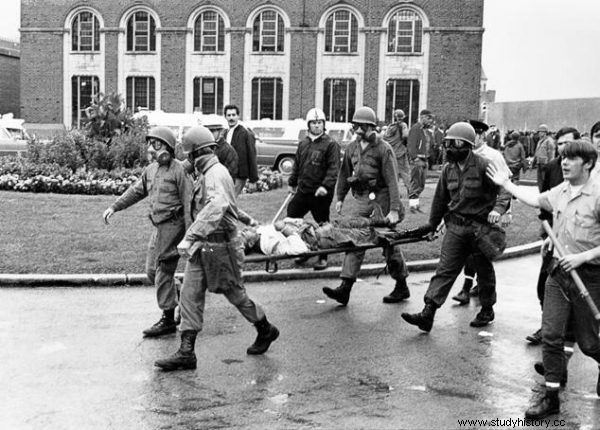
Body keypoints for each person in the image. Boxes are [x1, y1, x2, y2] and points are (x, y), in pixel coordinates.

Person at [487, 140, 600, 419]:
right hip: (559, 274)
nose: (564, 163)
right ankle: (550, 397)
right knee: (550, 335)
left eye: (571, 159)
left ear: (587, 164)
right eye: (563, 157)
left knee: (588, 343)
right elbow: (534, 199)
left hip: (590, 276)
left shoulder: (598, 195)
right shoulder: (561, 191)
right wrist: (507, 184)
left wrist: (582, 258)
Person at [155, 125, 279, 371]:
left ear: (195, 153)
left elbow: (217, 205)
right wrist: (246, 218)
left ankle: (265, 329)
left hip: (222, 247)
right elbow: (228, 204)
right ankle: (186, 352)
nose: (186, 160)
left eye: (188, 155)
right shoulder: (208, 172)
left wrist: (190, 236)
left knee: (235, 294)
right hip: (205, 246)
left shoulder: (214, 174)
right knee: (190, 295)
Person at [401, 122, 510, 332]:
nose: (451, 147)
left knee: (483, 271)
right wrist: (432, 225)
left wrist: (498, 209)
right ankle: (428, 312)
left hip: (480, 230)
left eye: (456, 143)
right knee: (444, 269)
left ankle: (487, 308)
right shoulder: (448, 170)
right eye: (449, 143)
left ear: (468, 145)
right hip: (456, 228)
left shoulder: (484, 165)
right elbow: (440, 201)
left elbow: (504, 188)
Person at [102, 126, 192, 338]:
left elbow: (188, 204)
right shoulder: (150, 170)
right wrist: (114, 206)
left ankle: (168, 319)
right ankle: (176, 293)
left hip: (174, 226)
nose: (153, 148)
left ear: (169, 147)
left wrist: (190, 237)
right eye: (151, 143)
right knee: (151, 272)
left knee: (162, 269)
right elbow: (136, 191)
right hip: (158, 227)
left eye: (158, 144)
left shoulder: (179, 170)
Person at [322, 106, 410, 305]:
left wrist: (394, 209)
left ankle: (401, 285)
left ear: (371, 127)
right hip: (362, 199)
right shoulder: (352, 148)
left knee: (387, 242)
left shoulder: (383, 149)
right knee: (355, 238)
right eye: (356, 126)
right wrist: (340, 198)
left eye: (362, 126)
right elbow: (344, 174)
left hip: (383, 200)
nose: (358, 130)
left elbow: (392, 181)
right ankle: (345, 287)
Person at [526, 127, 580, 345]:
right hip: (553, 234)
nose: (563, 148)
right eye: (559, 144)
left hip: (579, 242)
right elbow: (544, 200)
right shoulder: (551, 168)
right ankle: (548, 326)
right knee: (545, 282)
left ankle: (572, 331)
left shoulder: (587, 171)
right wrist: (548, 230)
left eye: (567, 143)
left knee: (576, 288)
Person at [452, 119, 512, 305]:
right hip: (466, 217)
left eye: (474, 134)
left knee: (483, 258)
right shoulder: (461, 156)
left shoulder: (493, 156)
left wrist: (505, 212)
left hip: (486, 215)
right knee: (469, 255)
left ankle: (485, 302)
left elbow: (506, 185)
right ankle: (466, 288)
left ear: (481, 136)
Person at [287, 108, 340, 271]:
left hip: (321, 193)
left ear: (324, 124)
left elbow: (333, 168)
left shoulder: (331, 144)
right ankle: (303, 251)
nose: (317, 126)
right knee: (292, 218)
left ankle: (323, 256)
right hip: (304, 190)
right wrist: (292, 182)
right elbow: (297, 164)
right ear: (308, 125)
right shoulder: (303, 143)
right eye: (314, 123)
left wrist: (325, 186)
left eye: (319, 123)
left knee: (323, 223)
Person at [224, 104, 259, 195]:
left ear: (238, 116)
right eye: (229, 115)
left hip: (239, 176)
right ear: (225, 117)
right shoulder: (225, 133)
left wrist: (253, 179)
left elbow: (252, 156)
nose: (231, 118)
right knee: (227, 203)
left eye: (233, 115)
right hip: (226, 174)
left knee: (229, 202)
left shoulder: (245, 133)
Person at [407, 109, 435, 212]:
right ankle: (413, 206)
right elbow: (411, 145)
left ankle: (415, 204)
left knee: (421, 185)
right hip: (417, 159)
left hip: (425, 159)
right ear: (422, 117)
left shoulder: (426, 130)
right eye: (429, 118)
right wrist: (415, 158)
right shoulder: (416, 128)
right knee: (415, 183)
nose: (431, 121)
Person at [382, 109, 410, 197]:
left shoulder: (389, 127)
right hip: (400, 152)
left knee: (394, 174)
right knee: (405, 172)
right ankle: (411, 190)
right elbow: (406, 135)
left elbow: (384, 138)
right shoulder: (402, 125)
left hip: (391, 153)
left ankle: (396, 192)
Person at [203, 115, 238, 179]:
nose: (209, 133)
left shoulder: (228, 151)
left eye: (212, 131)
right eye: (207, 131)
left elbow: (230, 175)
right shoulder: (203, 148)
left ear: (220, 131)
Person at [533, 124, 556, 190]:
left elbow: (551, 154)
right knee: (540, 181)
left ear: (544, 132)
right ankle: (541, 193)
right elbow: (537, 152)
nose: (539, 133)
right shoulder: (540, 141)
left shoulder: (549, 141)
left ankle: (546, 194)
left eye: (540, 132)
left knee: (546, 180)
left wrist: (550, 165)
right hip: (539, 163)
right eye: (539, 132)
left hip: (545, 164)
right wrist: (533, 163)